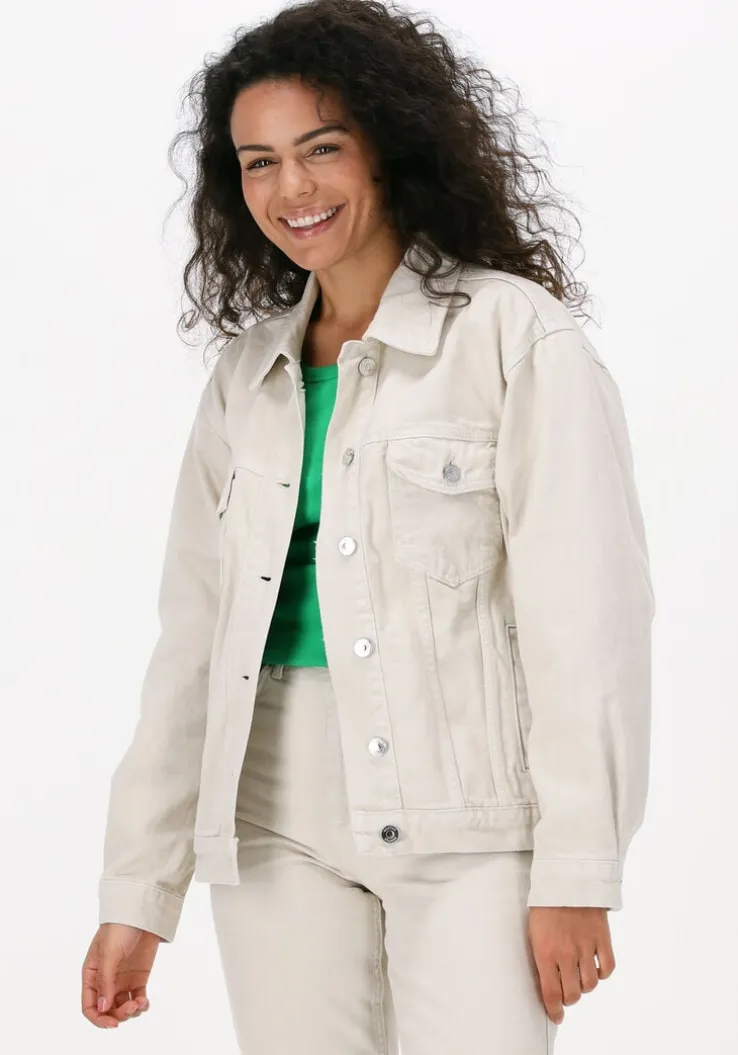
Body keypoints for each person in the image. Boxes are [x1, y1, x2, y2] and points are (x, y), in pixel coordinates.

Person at [80, 1, 655, 1050]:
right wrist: (137, 889)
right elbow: (192, 642)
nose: (291, 189)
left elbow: (586, 620)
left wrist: (578, 866)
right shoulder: (247, 375)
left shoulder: (512, 336)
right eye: (259, 162)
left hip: (469, 818)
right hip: (271, 816)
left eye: (322, 149)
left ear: (389, 145)